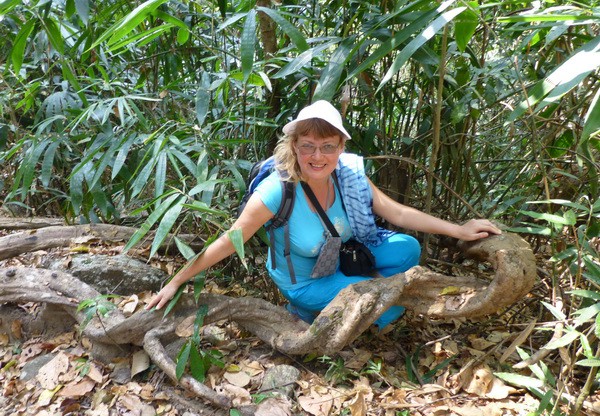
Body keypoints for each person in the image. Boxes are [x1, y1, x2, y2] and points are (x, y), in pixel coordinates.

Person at [146, 100, 501, 328]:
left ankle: (357, 289)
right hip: (304, 281)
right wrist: (177, 280)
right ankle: (307, 310)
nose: (318, 157)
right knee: (390, 307)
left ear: (341, 146)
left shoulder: (348, 175)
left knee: (407, 248)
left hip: (339, 258)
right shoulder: (277, 191)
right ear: (294, 146)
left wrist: (459, 230)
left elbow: (396, 212)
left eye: (328, 147)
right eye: (308, 147)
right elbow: (229, 240)